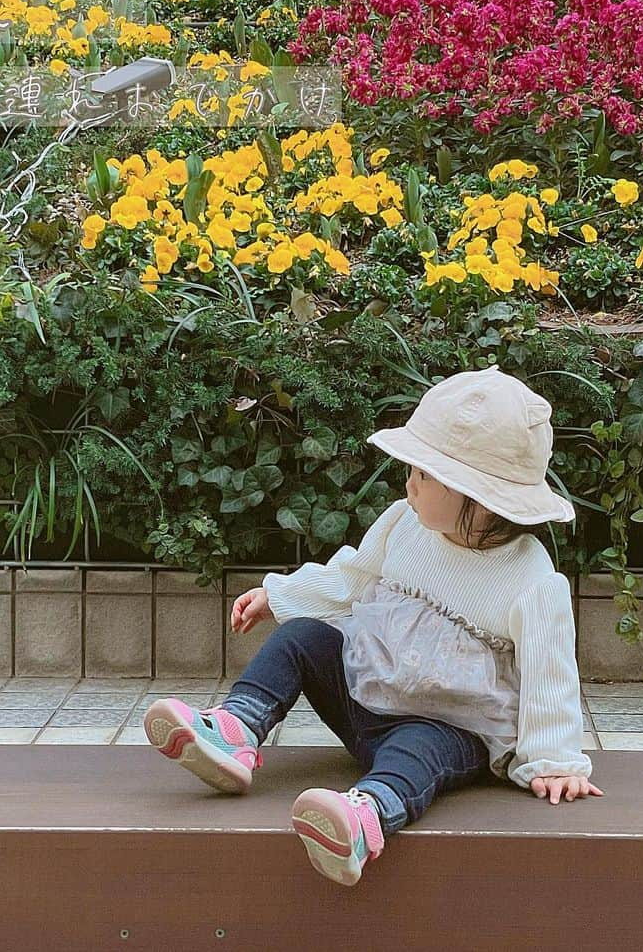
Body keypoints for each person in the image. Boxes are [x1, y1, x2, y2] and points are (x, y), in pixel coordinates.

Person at [144, 364, 603, 885]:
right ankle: (237, 730)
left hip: (446, 729)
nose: (409, 481)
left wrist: (554, 763)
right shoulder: (404, 523)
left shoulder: (530, 579)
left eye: (424, 474)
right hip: (363, 697)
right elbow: (349, 580)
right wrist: (280, 596)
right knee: (302, 638)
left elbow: (551, 674)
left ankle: (366, 815)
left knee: (419, 750)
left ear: (475, 494)